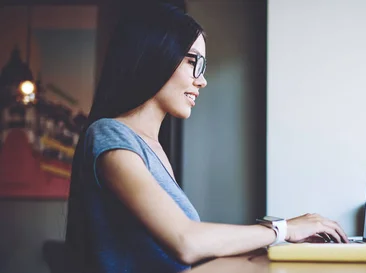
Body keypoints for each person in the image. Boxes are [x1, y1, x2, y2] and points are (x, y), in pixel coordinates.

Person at [65, 2, 348, 273]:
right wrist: (283, 229)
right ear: (157, 55)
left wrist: (281, 241)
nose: (202, 80)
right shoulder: (108, 135)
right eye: (194, 63)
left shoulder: (152, 148)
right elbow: (185, 242)